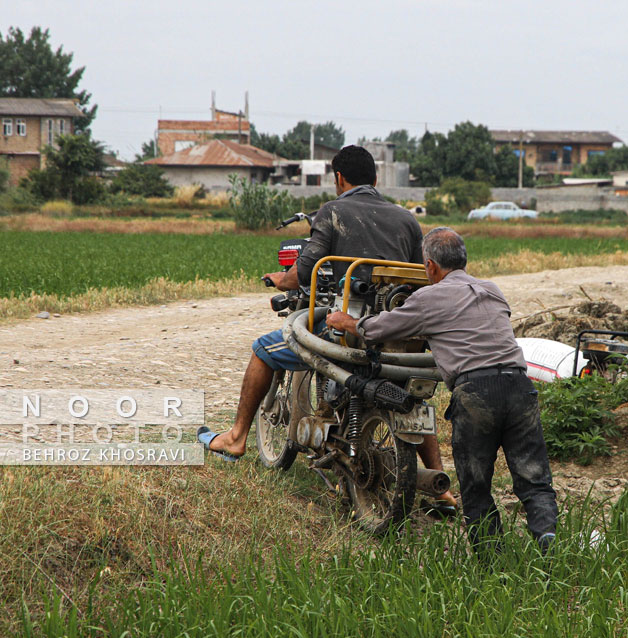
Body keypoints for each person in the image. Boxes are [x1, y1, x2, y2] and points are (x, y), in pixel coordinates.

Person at [198, 146, 458, 510]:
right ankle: (443, 490)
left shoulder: (332, 212)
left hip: (348, 330)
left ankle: (236, 437)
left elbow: (304, 271)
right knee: (408, 399)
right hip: (400, 335)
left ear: (339, 178)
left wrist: (281, 279)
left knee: (262, 349)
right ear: (376, 179)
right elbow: (420, 278)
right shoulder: (406, 220)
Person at [327, 227, 559, 556]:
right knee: (534, 480)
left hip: (477, 392)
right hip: (520, 386)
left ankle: (492, 565)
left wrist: (346, 322)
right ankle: (549, 546)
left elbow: (379, 328)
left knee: (476, 485)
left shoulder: (429, 297)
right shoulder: (492, 290)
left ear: (431, 266)